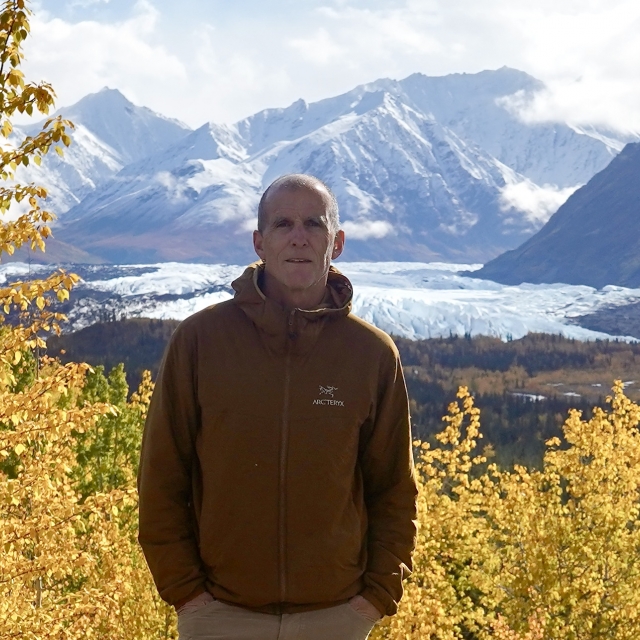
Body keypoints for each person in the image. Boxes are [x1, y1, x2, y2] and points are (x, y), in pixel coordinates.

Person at [137, 174, 418, 640]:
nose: (299, 236)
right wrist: (185, 593)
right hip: (220, 613)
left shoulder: (371, 354)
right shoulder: (201, 341)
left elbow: (393, 487)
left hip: (337, 616)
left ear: (338, 241)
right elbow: (162, 475)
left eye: (314, 223)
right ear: (259, 242)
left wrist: (375, 598)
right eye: (283, 223)